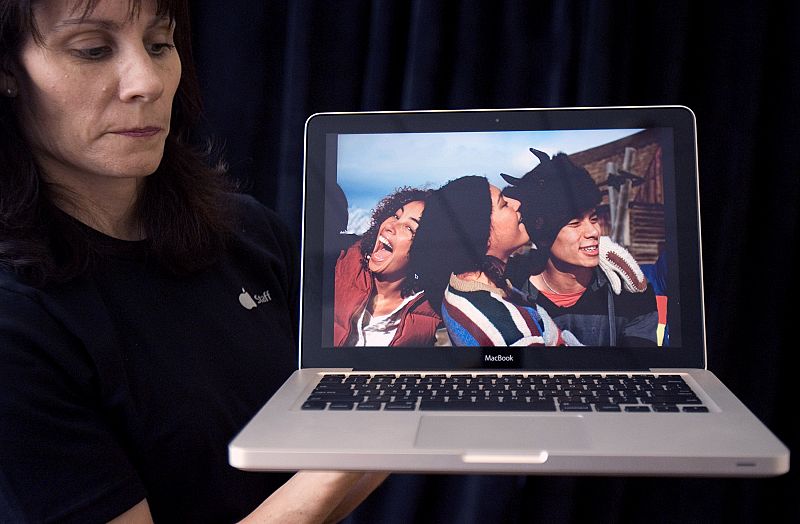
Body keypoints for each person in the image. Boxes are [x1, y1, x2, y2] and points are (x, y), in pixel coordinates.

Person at [0, 1, 385, 522]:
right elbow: (324, 480)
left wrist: (425, 393)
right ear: (8, 72)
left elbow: (312, 495)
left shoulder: (247, 231)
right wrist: (367, 425)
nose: (148, 83)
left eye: (160, 44)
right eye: (93, 50)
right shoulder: (17, 320)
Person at [503, 149, 658, 347]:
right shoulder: (510, 287)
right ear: (543, 237)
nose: (593, 231)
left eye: (593, 218)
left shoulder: (629, 293)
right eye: (575, 223)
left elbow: (638, 367)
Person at [408, 176, 566, 346]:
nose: (516, 204)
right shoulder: (511, 331)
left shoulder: (459, 289)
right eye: (503, 204)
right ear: (481, 233)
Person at [334, 187, 440, 346]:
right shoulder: (340, 261)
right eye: (396, 215)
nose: (391, 226)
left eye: (409, 228)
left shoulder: (435, 314)